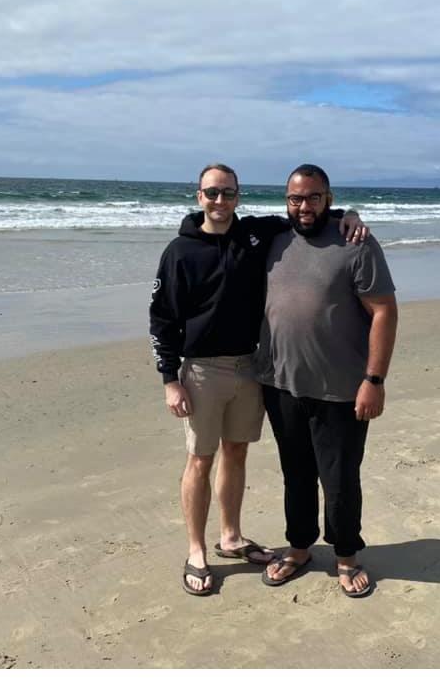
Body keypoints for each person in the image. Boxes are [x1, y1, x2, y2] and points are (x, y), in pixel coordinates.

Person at [149, 163, 367, 596]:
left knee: (236, 453)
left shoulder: (255, 234)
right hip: (202, 370)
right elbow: (161, 319)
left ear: (238, 196)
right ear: (198, 197)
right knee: (200, 459)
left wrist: (350, 214)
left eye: (228, 193)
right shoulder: (179, 252)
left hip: (252, 367)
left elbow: (306, 212)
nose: (219, 200)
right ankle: (196, 551)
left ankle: (230, 537)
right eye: (211, 192)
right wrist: (169, 379)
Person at [255, 163, 398, 598]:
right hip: (280, 384)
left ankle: (347, 555)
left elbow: (384, 312)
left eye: (313, 197)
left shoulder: (355, 241)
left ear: (328, 199)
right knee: (295, 473)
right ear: (286, 201)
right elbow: (212, 228)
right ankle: (299, 547)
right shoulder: (273, 240)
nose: (304, 206)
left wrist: (374, 379)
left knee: (339, 478)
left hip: (341, 388)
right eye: (296, 198)